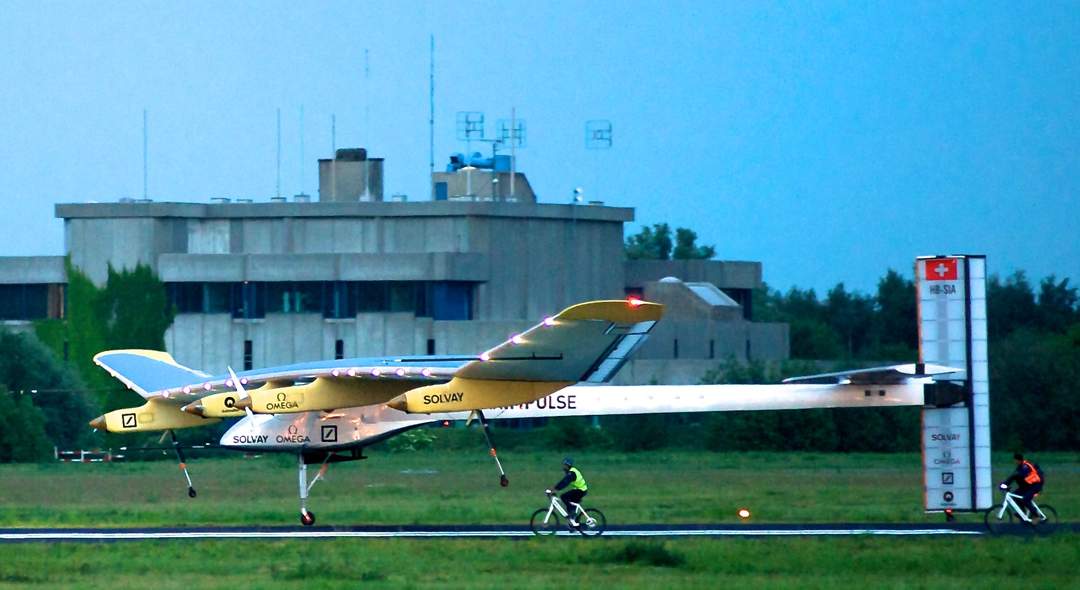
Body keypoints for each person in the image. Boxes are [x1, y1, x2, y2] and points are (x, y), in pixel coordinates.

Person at [1000, 452, 1044, 523]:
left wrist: (1007, 483)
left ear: (1018, 460)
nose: (1014, 462)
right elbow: (1013, 477)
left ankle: (1036, 516)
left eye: (1015, 460)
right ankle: (1023, 513)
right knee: (1015, 496)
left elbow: (1018, 476)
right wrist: (1004, 485)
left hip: (1036, 485)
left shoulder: (1025, 466)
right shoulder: (1020, 467)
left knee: (1026, 499)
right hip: (1028, 486)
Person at [547, 457, 588, 526]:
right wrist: (555, 489)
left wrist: (554, 489)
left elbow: (564, 482)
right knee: (571, 502)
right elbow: (563, 481)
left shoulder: (572, 473)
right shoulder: (571, 471)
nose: (563, 467)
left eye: (565, 465)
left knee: (564, 496)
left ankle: (572, 514)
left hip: (581, 490)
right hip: (579, 490)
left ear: (568, 465)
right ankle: (573, 522)